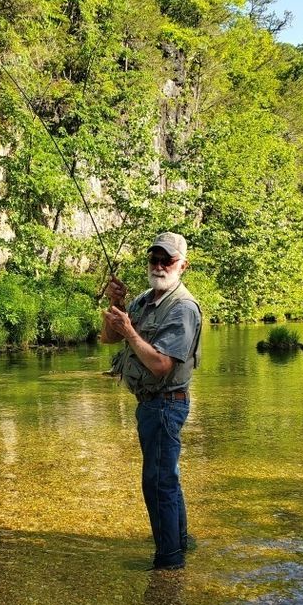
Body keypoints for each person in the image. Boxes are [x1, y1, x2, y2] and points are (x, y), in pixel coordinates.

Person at [101, 232, 202, 570]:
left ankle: (169, 563)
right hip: (151, 405)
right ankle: (181, 542)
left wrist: (131, 331)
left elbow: (160, 366)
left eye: (167, 260)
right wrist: (116, 306)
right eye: (153, 259)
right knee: (166, 477)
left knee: (157, 482)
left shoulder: (183, 308)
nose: (159, 266)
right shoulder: (144, 300)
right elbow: (107, 339)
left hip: (165, 404)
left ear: (182, 265)